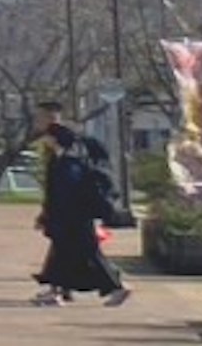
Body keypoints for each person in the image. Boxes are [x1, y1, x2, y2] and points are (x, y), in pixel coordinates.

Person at [32, 123, 129, 307]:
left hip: (74, 220)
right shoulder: (63, 160)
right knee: (61, 256)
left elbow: (66, 195)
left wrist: (51, 216)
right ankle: (56, 291)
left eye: (47, 137)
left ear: (55, 139)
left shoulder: (69, 164)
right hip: (70, 219)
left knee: (90, 255)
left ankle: (118, 287)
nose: (45, 141)